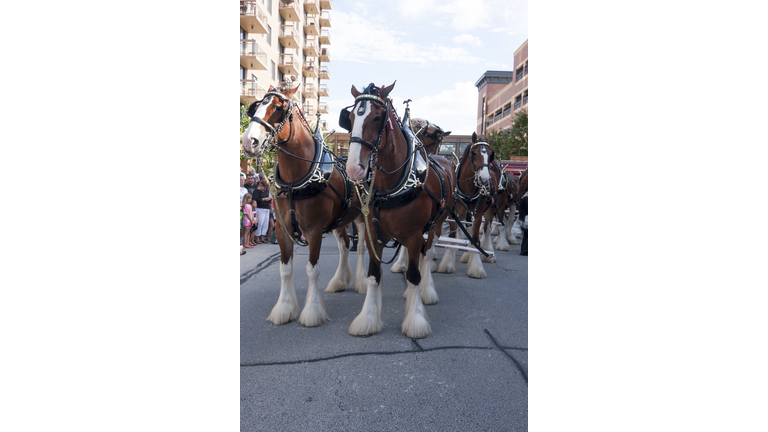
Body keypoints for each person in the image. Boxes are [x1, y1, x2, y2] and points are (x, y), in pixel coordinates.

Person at [252, 177, 273, 244]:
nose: (264, 189)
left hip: (266, 208)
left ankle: (262, 236)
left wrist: (269, 199)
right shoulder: (256, 191)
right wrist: (264, 199)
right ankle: (257, 237)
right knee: (260, 223)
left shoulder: (263, 192)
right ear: (261, 184)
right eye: (264, 187)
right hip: (260, 208)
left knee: (265, 224)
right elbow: (256, 199)